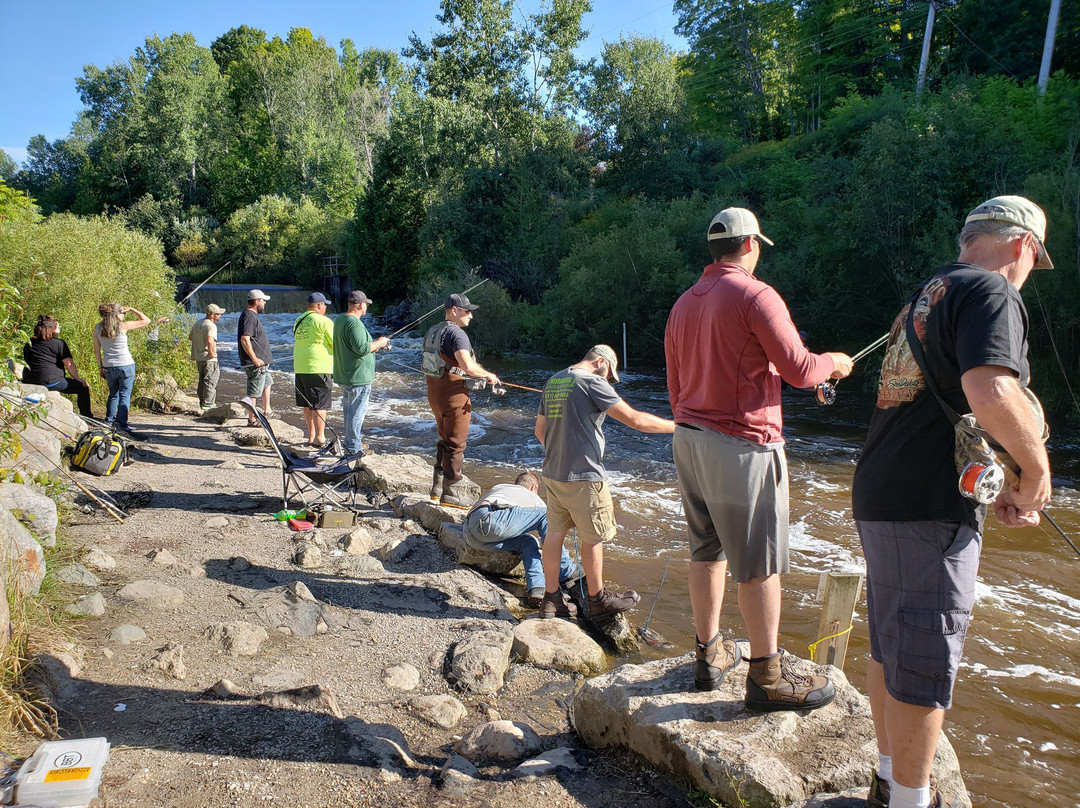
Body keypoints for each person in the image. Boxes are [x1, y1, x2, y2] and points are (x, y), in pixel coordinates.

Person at [852, 196, 1053, 808]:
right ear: (1022, 246)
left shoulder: (925, 294)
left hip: (881, 487)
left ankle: (889, 780)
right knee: (925, 659)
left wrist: (992, 473)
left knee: (891, 644)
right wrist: (1038, 471)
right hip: (926, 503)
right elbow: (990, 389)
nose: (1028, 272)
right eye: (1034, 260)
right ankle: (909, 801)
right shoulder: (994, 292)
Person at [664, 206, 853, 710]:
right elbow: (800, 369)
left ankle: (708, 656)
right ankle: (766, 679)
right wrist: (835, 363)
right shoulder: (756, 294)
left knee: (706, 550)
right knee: (759, 563)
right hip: (744, 447)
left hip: (688, 438)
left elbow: (675, 386)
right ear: (751, 245)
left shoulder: (683, 303)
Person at [534, 345, 675, 621]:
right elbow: (635, 420)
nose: (609, 381)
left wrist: (562, 452)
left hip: (552, 472)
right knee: (593, 536)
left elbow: (540, 432)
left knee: (554, 534)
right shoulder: (592, 381)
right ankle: (598, 601)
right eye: (609, 374)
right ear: (600, 362)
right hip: (585, 475)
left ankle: (551, 600)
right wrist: (678, 427)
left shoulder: (554, 380)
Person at [422, 293, 500, 509]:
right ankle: (452, 493)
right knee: (456, 443)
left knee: (445, 438)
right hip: (454, 395)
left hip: (435, 393)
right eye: (467, 311)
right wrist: (488, 375)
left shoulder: (433, 331)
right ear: (454, 311)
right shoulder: (457, 334)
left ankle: (437, 489)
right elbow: (467, 366)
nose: (471, 316)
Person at [463, 470, 581, 606]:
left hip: (471, 534)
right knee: (547, 514)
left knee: (528, 542)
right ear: (533, 488)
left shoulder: (501, 488)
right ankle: (566, 571)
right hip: (489, 520)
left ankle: (537, 588)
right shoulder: (530, 495)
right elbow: (551, 525)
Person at [332, 290, 389, 455]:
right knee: (356, 413)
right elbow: (362, 348)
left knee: (349, 412)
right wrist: (380, 343)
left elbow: (355, 347)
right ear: (361, 305)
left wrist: (376, 345)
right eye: (366, 305)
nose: (367, 307)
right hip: (357, 377)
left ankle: (352, 442)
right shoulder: (354, 323)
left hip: (346, 374)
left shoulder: (340, 319)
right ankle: (353, 447)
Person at [93, 302, 153, 436]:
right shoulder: (122, 326)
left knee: (113, 394)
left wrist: (100, 366)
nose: (124, 315)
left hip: (108, 365)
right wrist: (132, 309)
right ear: (116, 314)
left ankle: (109, 420)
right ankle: (122, 423)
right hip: (126, 364)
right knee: (124, 395)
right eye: (123, 313)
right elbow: (146, 320)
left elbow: (97, 350)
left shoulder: (97, 328)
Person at [22, 315, 92, 417]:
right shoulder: (59, 343)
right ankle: (87, 417)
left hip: (29, 380)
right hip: (51, 382)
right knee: (82, 387)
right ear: (52, 329)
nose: (60, 329)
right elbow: (69, 364)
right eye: (58, 327)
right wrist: (77, 378)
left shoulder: (29, 343)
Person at [293, 292, 335, 447]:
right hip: (319, 367)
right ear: (319, 306)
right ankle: (320, 438)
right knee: (320, 404)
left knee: (307, 404)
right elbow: (335, 343)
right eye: (324, 305)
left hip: (300, 366)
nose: (325, 308)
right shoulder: (324, 321)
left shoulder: (299, 320)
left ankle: (310, 436)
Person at [238, 290, 273, 427]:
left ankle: (267, 411)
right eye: (263, 301)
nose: (264, 303)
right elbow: (245, 339)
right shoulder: (249, 316)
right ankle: (251, 419)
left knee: (267, 383)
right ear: (257, 301)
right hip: (255, 363)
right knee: (254, 391)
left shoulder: (251, 315)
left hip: (262, 363)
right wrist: (255, 359)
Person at [189, 304, 224, 410]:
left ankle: (202, 402)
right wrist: (212, 353)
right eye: (219, 314)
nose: (220, 316)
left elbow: (191, 337)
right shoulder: (211, 326)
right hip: (209, 359)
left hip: (199, 357)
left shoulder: (198, 323)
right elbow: (209, 340)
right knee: (210, 380)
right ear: (213, 315)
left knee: (201, 381)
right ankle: (208, 404)